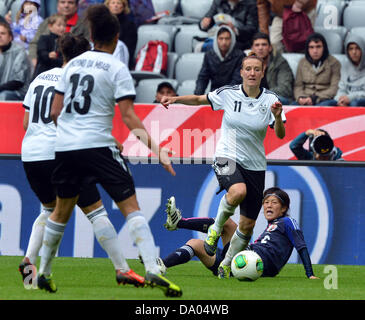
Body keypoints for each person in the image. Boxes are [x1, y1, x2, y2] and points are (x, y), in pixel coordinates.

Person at [36, 4, 182, 297]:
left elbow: (55, 111)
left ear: (91, 35)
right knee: (131, 206)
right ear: (116, 37)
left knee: (61, 212)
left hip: (65, 148)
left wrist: (70, 133)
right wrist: (158, 151)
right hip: (98, 145)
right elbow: (128, 117)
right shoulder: (116, 67)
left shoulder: (72, 65)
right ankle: (152, 267)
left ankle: (43, 272)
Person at [19, 33, 146, 290]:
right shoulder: (73, 81)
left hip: (31, 154)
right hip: (61, 153)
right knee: (96, 211)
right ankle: (123, 269)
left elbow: (25, 123)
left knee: (48, 210)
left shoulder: (39, 78)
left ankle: (29, 264)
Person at [161, 53, 286, 279]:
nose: (252, 73)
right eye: (248, 68)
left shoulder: (271, 100)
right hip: (226, 156)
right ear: (241, 72)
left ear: (263, 72)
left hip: (255, 165)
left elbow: (280, 134)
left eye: (256, 69)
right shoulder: (228, 94)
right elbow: (200, 99)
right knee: (238, 191)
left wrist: (277, 117)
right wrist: (176, 99)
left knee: (247, 226)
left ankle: (225, 265)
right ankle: (214, 232)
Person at [161, 189, 319, 280]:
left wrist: (310, 274)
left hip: (256, 262)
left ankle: (179, 222)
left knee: (228, 224)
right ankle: (161, 265)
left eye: (274, 202)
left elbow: (302, 247)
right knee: (195, 243)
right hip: (242, 261)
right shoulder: (271, 227)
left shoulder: (288, 222)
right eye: (266, 202)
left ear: (283, 208)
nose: (268, 205)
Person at [28, 0, 90, 67]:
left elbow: (88, 47)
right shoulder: (47, 22)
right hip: (46, 66)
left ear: (77, 6)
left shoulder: (84, 25)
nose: (66, 6)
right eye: (62, 2)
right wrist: (33, 59)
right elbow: (34, 43)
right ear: (57, 5)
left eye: (70, 2)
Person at [194, 25, 245, 95]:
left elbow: (237, 80)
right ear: (216, 39)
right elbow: (203, 78)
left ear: (232, 39)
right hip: (214, 94)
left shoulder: (240, 56)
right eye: (221, 38)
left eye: (227, 39)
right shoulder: (209, 55)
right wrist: (197, 97)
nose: (224, 42)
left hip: (233, 96)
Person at [293, 32, 341, 106]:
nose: (315, 51)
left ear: (324, 47)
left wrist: (315, 98)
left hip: (324, 99)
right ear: (307, 49)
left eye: (318, 47)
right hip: (305, 98)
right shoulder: (302, 62)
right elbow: (298, 86)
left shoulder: (334, 63)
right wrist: (300, 98)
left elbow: (334, 87)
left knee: (324, 106)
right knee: (291, 106)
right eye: (311, 47)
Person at [250, 32, 294, 104]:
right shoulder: (247, 64)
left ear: (270, 48)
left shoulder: (280, 62)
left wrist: (262, 94)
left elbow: (285, 89)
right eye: (257, 45)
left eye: (264, 45)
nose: (260, 48)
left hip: (275, 100)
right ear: (252, 49)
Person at [0, 19, 31, 101]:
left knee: (3, 95)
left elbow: (18, 81)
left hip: (19, 93)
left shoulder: (19, 51)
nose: (0, 36)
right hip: (2, 90)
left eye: (3, 33)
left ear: (10, 37)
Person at [334, 34, 365, 107]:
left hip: (360, 99)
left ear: (363, 49)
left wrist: (350, 98)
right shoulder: (345, 66)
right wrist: (340, 99)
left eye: (357, 48)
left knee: (354, 104)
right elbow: (342, 88)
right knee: (327, 104)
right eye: (351, 49)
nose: (354, 52)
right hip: (346, 99)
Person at [104, 0, 137, 69]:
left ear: (123, 6)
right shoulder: (102, 23)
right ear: (108, 6)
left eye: (118, 3)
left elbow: (129, 48)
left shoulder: (130, 25)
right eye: (113, 3)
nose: (115, 5)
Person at [32, 13, 65, 78]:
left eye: (64, 25)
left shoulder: (64, 42)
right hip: (42, 73)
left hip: (57, 75)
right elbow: (41, 52)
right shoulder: (44, 38)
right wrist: (48, 55)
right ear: (50, 26)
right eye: (59, 25)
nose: (62, 28)